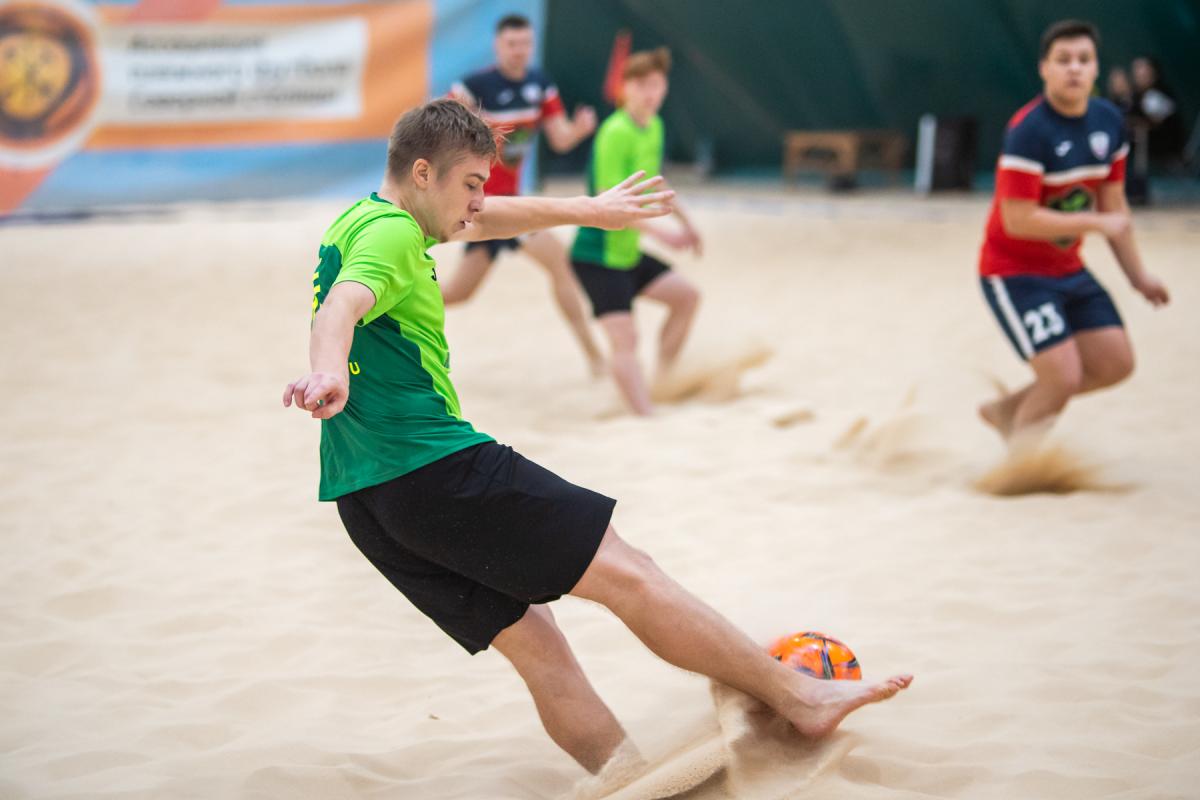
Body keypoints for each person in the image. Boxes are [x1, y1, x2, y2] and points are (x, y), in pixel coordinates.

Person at [282, 98, 911, 775]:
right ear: (424, 172)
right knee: (629, 572)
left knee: (540, 644)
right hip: (433, 470)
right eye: (471, 183)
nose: (479, 201)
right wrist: (328, 371)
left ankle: (629, 780)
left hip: (368, 501)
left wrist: (589, 209)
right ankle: (801, 695)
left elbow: (487, 220)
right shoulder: (393, 237)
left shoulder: (367, 217)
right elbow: (345, 303)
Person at [977, 20, 1170, 441]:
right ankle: (1022, 466)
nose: (1074, 69)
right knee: (1061, 378)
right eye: (1063, 60)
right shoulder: (1029, 131)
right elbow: (1018, 220)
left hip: (1068, 269)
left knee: (1116, 364)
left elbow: (1114, 207)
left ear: (1096, 68)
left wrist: (1139, 277)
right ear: (1044, 69)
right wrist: (1094, 222)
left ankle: (1007, 410)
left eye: (1084, 60)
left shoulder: (1109, 121)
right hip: (1014, 273)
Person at [446, 13, 605, 376]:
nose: (519, 51)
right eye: (512, 44)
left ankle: (595, 358)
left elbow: (560, 139)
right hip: (480, 208)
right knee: (458, 293)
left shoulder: (540, 84)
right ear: (497, 46)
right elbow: (438, 130)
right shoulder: (474, 87)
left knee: (559, 264)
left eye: (526, 43)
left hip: (513, 205)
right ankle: (389, 314)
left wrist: (579, 130)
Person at [570, 47, 703, 416]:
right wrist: (664, 234)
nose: (650, 92)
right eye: (642, 84)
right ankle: (646, 415)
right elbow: (608, 204)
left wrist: (687, 224)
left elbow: (655, 183)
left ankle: (663, 380)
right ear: (624, 87)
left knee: (687, 298)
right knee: (626, 339)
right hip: (597, 255)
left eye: (657, 84)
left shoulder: (654, 126)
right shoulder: (615, 132)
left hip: (626, 252)